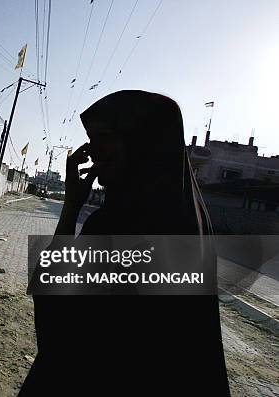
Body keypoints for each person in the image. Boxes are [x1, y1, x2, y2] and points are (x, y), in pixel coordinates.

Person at [20, 91, 230, 395]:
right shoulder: (192, 218)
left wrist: (70, 210)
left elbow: (54, 308)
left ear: (141, 143)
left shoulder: (117, 224)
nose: (91, 152)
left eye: (102, 138)